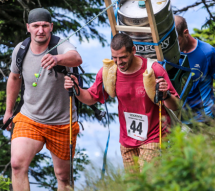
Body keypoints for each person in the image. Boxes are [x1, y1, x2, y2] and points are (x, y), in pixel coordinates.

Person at [3, 8, 83, 191]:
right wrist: (9, 111)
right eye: (36, 26)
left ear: (51, 27)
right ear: (28, 27)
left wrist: (57, 60)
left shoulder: (60, 45)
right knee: (17, 163)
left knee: (63, 176)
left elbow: (76, 58)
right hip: (30, 117)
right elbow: (14, 78)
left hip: (62, 121)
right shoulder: (21, 49)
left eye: (45, 26)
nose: (40, 30)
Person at [64, 33, 179, 172]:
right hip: (127, 140)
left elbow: (176, 105)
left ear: (133, 51)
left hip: (154, 136)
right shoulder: (109, 73)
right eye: (115, 57)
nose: (119, 62)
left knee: (148, 181)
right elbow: (91, 97)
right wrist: (77, 89)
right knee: (134, 186)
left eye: (123, 57)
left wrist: (165, 95)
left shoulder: (154, 70)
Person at [174, 15, 215, 122]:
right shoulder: (170, 53)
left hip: (204, 118)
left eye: (177, 41)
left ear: (185, 32)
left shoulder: (208, 53)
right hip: (177, 119)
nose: (175, 46)